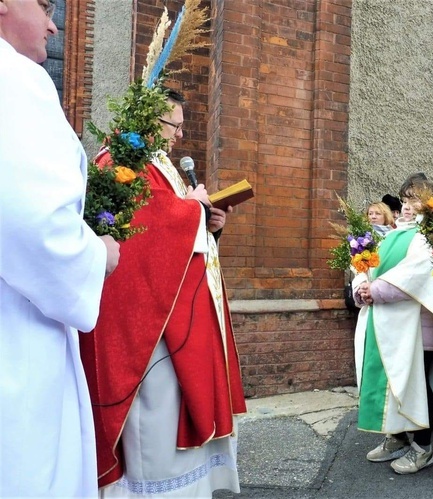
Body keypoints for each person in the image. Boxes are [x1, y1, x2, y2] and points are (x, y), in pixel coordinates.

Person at [80, 89, 247, 496]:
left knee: (173, 406)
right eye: (174, 125)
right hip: (149, 327)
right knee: (155, 419)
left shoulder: (160, 166)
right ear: (151, 122)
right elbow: (145, 227)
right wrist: (192, 210)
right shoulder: (121, 161)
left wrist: (210, 222)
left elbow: (175, 228)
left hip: (179, 316)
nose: (178, 136)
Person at [0, 1, 120, 496]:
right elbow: (33, 221)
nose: (53, 23)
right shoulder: (14, 79)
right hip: (15, 335)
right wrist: (98, 255)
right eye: (44, 5)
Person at [353, 175, 433, 474]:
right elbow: (366, 265)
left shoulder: (429, 236)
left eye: (414, 200)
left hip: (416, 328)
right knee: (392, 382)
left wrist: (374, 291)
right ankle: (397, 436)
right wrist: (361, 285)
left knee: (416, 385)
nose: (407, 206)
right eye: (405, 199)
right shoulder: (392, 234)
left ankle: (423, 449)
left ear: (429, 203)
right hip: (388, 322)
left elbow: (414, 274)